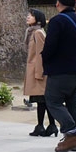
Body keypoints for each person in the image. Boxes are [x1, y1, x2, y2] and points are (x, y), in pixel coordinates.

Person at [41, 0, 76, 152]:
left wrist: (46, 59)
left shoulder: (57, 21)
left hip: (60, 69)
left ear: (58, 3)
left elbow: (50, 46)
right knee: (74, 102)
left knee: (53, 100)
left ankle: (70, 132)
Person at [24, 9, 56, 137]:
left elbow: (41, 54)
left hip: (38, 70)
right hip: (35, 69)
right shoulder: (32, 32)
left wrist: (39, 72)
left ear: (37, 19)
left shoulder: (38, 33)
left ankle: (47, 125)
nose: (28, 17)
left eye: (31, 15)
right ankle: (43, 125)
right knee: (40, 100)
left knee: (43, 99)